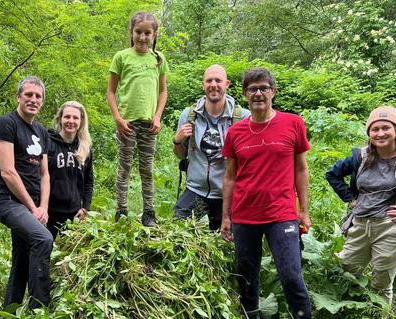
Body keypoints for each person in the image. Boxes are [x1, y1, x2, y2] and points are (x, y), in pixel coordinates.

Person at [221, 67, 318, 319]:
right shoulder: (236, 132)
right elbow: (230, 177)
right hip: (245, 215)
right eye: (252, 89)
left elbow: (301, 169)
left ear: (273, 91)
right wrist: (226, 216)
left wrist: (304, 209)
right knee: (247, 277)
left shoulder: (292, 124)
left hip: (281, 214)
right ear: (245, 95)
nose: (258, 94)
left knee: (291, 274)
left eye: (264, 88)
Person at [325, 106, 396, 318]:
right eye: (375, 129)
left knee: (381, 281)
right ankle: (347, 318)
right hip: (359, 224)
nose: (380, 133)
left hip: (389, 228)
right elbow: (332, 174)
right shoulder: (360, 157)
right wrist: (350, 198)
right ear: (369, 133)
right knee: (347, 272)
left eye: (386, 128)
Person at [0, 76, 54, 309]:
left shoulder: (40, 130)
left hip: (34, 204)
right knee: (43, 239)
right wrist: (32, 207)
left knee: (21, 256)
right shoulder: (7, 124)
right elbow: (8, 172)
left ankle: (10, 310)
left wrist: (43, 207)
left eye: (38, 96)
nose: (33, 100)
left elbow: (44, 174)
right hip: (9, 201)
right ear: (18, 97)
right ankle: (39, 308)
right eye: (28, 95)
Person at [106, 11, 168, 227]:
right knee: (125, 167)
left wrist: (158, 116)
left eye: (147, 33)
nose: (142, 37)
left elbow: (163, 92)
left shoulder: (158, 59)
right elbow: (111, 92)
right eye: (138, 32)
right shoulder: (121, 57)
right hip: (127, 124)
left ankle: (148, 213)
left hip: (149, 124)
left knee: (147, 169)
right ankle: (121, 211)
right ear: (131, 33)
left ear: (154, 34)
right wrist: (117, 118)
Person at [173, 64, 248, 231]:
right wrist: (177, 141)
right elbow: (180, 155)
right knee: (176, 229)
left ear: (227, 84)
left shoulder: (243, 117)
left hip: (226, 193)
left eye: (218, 80)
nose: (213, 84)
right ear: (203, 85)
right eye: (209, 80)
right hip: (195, 189)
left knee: (225, 240)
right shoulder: (189, 115)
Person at [47, 101, 94, 238]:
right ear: (60, 119)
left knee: (66, 257)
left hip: (74, 215)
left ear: (81, 121)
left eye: (75, 118)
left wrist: (85, 207)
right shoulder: (48, 142)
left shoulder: (84, 147)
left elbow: (88, 181)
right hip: (50, 212)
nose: (71, 121)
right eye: (67, 117)